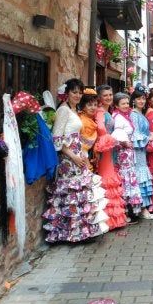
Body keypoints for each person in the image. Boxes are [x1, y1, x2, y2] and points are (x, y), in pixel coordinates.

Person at [43, 78, 108, 242]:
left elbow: (77, 136)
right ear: (67, 94)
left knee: (80, 194)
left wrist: (83, 157)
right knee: (71, 194)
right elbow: (56, 139)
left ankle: (80, 232)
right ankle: (68, 233)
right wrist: (72, 156)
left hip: (77, 156)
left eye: (80, 92)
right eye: (74, 92)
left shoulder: (73, 109)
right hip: (68, 159)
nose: (78, 95)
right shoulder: (63, 110)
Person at [94, 85, 127, 230]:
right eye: (105, 95)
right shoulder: (101, 111)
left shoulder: (108, 110)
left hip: (110, 147)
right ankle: (108, 219)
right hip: (105, 148)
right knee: (107, 178)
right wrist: (109, 138)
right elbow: (100, 128)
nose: (108, 97)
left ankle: (113, 219)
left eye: (110, 94)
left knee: (110, 176)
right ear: (99, 98)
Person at [112, 92, 143, 223]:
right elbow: (117, 134)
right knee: (126, 179)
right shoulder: (118, 117)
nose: (126, 105)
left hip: (128, 152)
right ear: (116, 105)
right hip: (123, 152)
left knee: (129, 178)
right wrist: (124, 142)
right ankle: (126, 211)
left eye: (127, 103)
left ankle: (129, 210)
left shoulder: (123, 115)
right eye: (123, 103)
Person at [129, 86, 153, 220]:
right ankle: (142, 208)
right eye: (138, 98)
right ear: (133, 100)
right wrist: (149, 138)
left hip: (142, 148)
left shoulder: (140, 114)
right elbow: (135, 134)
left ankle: (142, 207)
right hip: (137, 149)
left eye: (143, 98)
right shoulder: (133, 114)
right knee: (140, 176)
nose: (141, 101)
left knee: (142, 176)